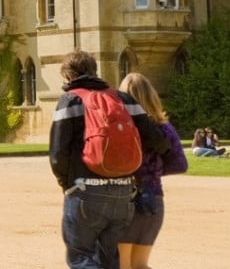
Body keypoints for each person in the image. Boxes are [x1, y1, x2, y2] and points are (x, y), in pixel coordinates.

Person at [49, 50, 168, 269]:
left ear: (68, 75)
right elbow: (158, 141)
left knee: (81, 256)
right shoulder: (123, 99)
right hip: (123, 194)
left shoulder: (70, 100)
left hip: (85, 191)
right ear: (94, 70)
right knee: (112, 260)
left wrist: (67, 185)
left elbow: (58, 153)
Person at [116, 72, 189, 269]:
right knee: (140, 265)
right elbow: (180, 164)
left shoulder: (120, 127)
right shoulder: (163, 127)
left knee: (121, 265)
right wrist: (154, 171)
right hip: (153, 197)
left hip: (124, 198)